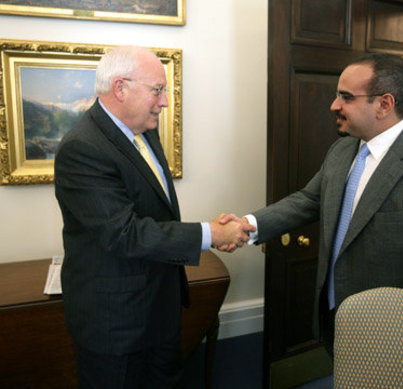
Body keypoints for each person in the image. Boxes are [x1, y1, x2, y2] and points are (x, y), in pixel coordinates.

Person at [220, 53, 403, 355]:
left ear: (385, 104)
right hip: (336, 317)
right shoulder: (342, 150)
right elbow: (308, 200)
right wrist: (248, 225)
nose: (334, 105)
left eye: (346, 97)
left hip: (398, 334)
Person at [54, 46, 254, 388]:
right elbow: (124, 233)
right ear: (121, 88)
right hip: (117, 328)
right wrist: (212, 234)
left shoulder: (144, 129)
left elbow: (155, 212)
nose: (164, 101)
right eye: (158, 90)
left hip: (159, 311)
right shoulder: (82, 148)